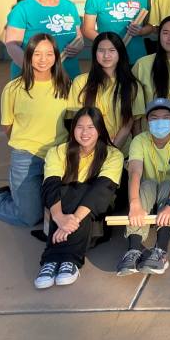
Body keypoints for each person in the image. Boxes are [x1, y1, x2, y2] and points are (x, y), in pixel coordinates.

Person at [34, 107, 122, 289]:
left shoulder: (113, 154)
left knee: (86, 189)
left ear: (100, 129)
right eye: (80, 127)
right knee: (64, 189)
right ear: (72, 129)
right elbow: (50, 185)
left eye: (91, 127)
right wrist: (59, 218)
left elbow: (102, 190)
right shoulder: (58, 152)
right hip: (62, 217)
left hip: (93, 218)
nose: (85, 132)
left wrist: (71, 220)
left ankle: (64, 259)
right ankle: (56, 262)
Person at [0, 34, 71, 227]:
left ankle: (23, 195)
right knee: (30, 218)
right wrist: (26, 143)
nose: (43, 59)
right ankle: (2, 198)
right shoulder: (13, 89)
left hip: (58, 157)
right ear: (28, 55)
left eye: (48, 54)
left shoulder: (65, 86)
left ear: (56, 56)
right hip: (26, 157)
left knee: (63, 210)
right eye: (37, 54)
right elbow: (7, 127)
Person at [116, 98, 170, 276]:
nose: (160, 122)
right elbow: (134, 171)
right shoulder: (139, 140)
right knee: (148, 183)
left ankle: (161, 251)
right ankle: (133, 250)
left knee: (168, 182)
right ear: (147, 121)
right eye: (154, 118)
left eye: (166, 117)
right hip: (149, 201)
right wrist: (134, 205)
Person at [5, 0, 82, 79]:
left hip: (68, 73)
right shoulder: (22, 8)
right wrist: (35, 72)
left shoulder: (69, 6)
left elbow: (78, 37)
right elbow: (12, 45)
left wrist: (79, 45)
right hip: (33, 76)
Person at [69, 32, 145, 152]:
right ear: (94, 53)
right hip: (87, 152)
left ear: (120, 53)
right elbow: (76, 122)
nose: (106, 55)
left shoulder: (132, 86)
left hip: (120, 153)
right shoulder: (80, 82)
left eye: (112, 50)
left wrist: (110, 153)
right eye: (101, 51)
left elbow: (128, 126)